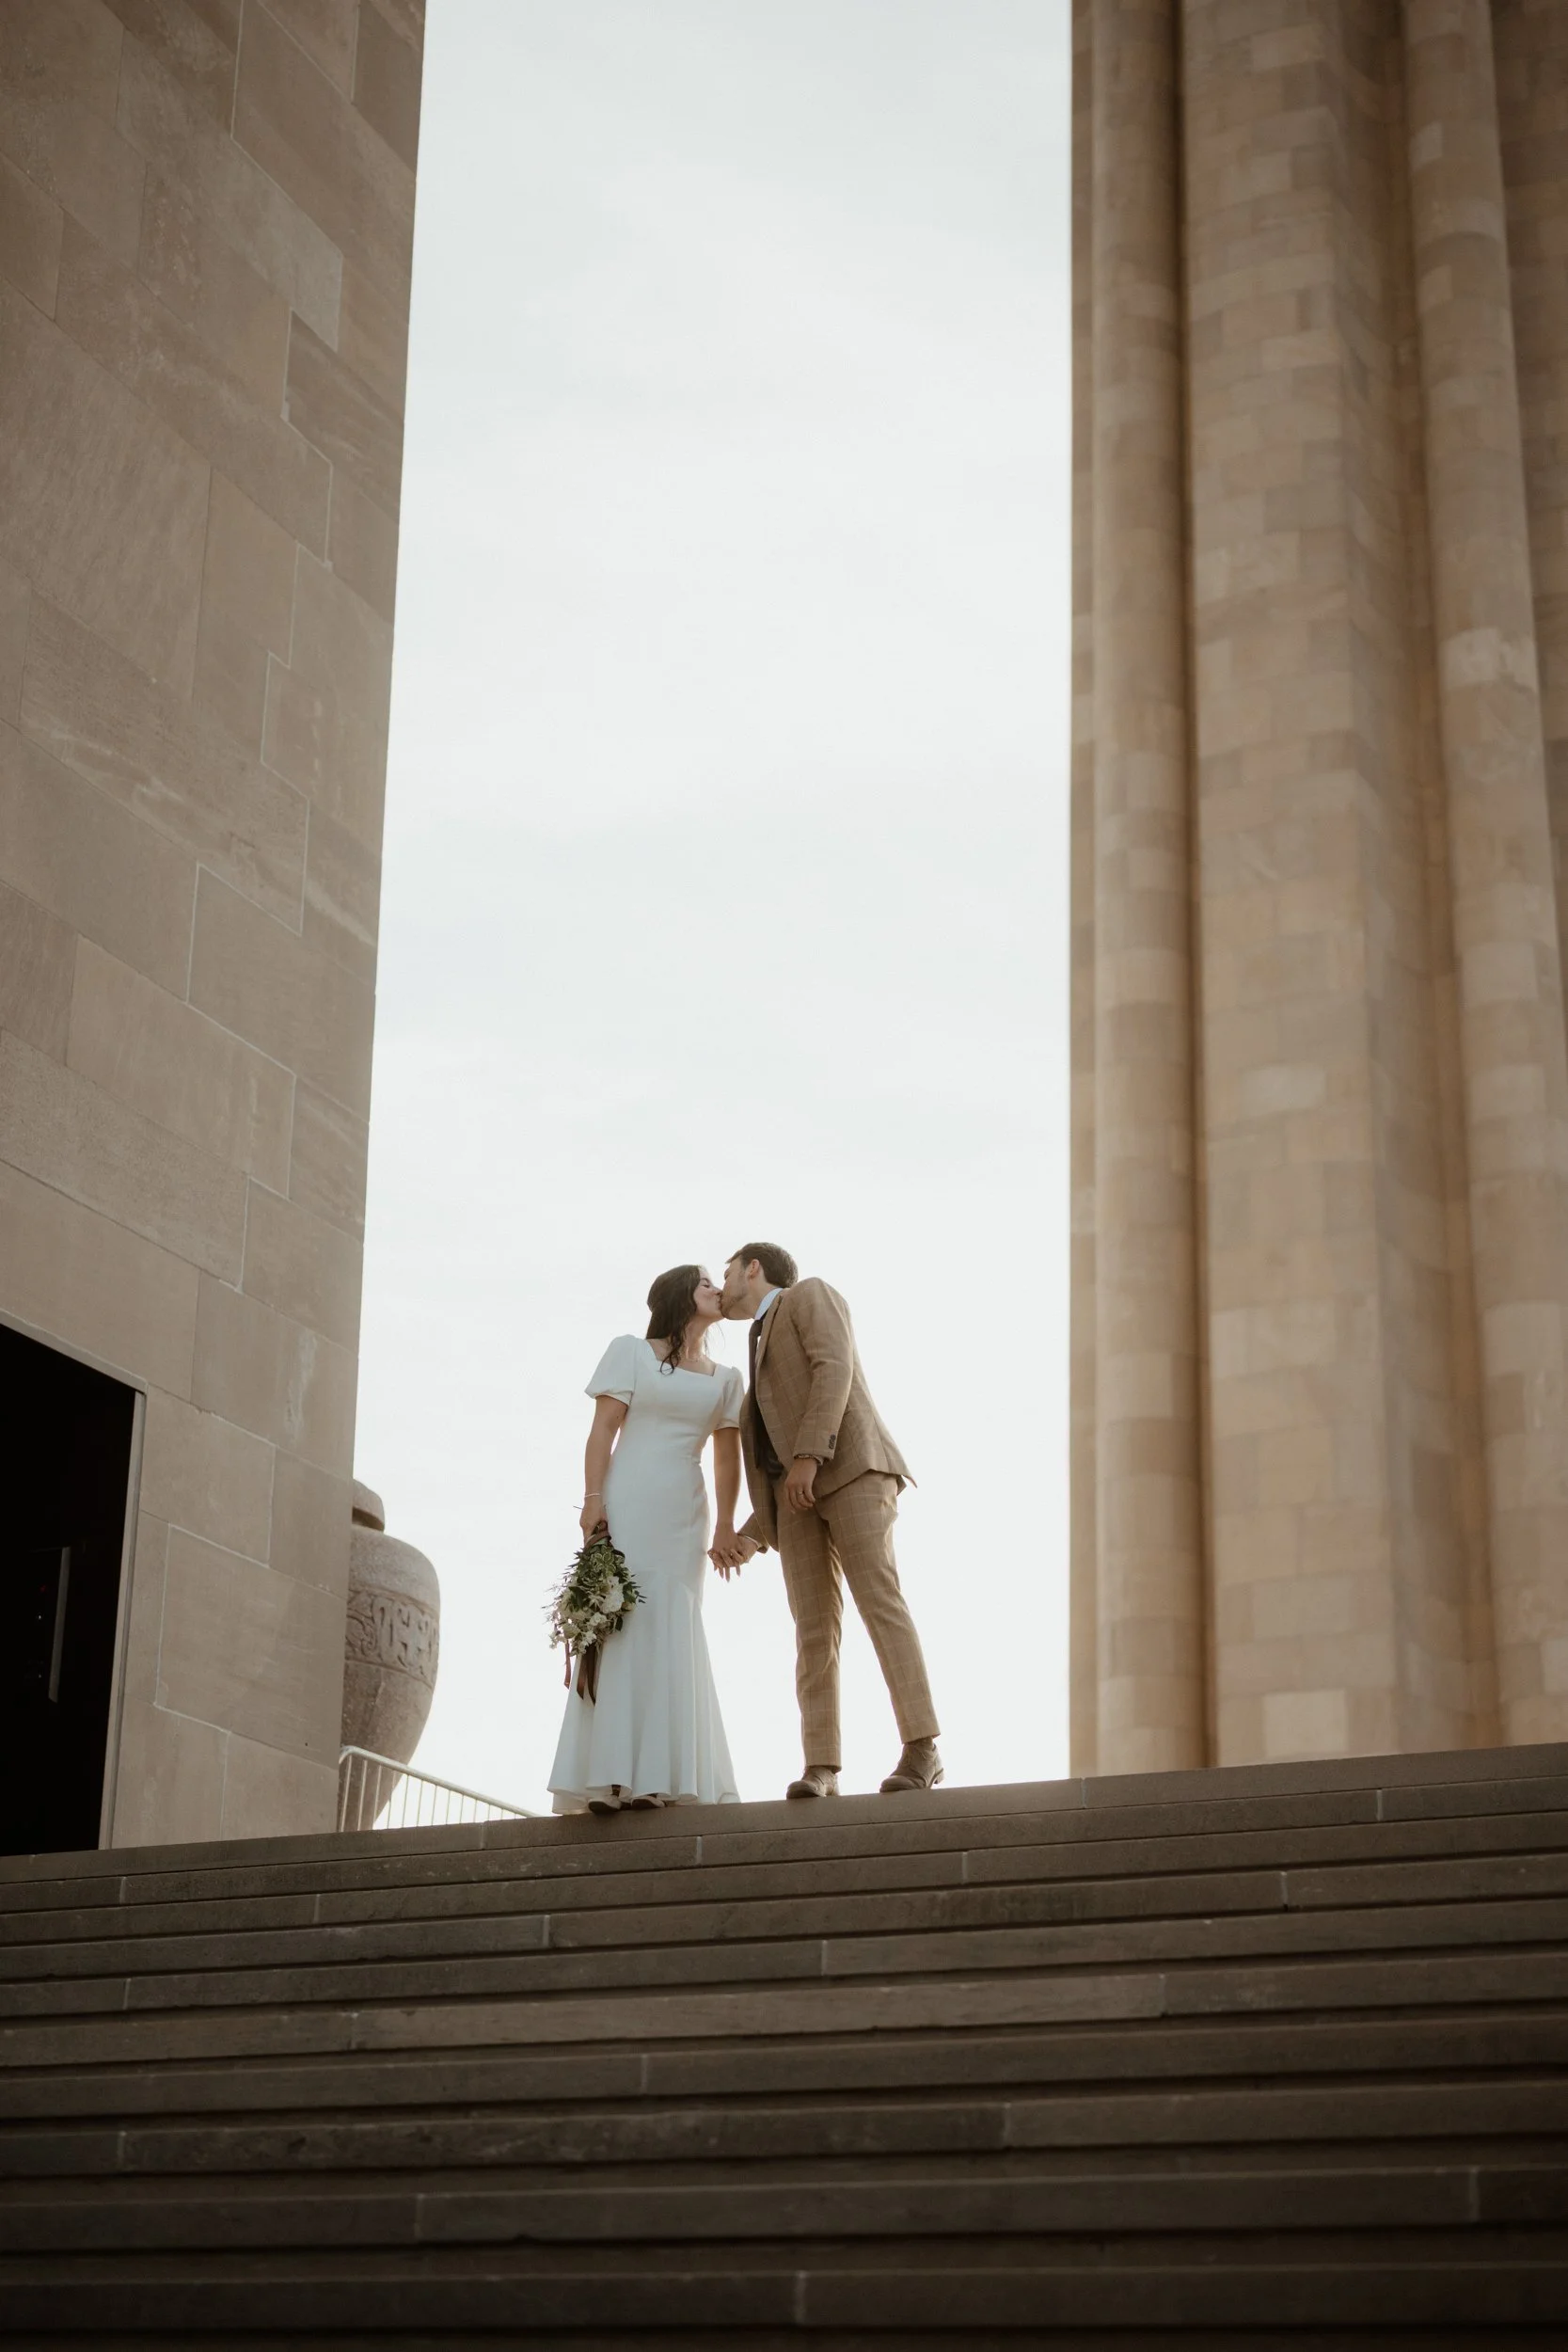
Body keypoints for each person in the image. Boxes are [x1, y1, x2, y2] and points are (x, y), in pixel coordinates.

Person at [711, 1244, 942, 1800]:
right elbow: (773, 1453)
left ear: (752, 1267)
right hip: (796, 1501)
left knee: (879, 1601)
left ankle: (922, 1748)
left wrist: (811, 1456)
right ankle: (822, 1767)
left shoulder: (809, 1294)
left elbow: (833, 1367)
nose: (720, 1289)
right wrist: (750, 1534)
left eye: (724, 1274)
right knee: (812, 1631)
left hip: (852, 1469)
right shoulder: (755, 1344)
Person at [548, 1265, 743, 1816]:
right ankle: (608, 1777)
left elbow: (728, 1457)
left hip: (684, 1509)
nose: (716, 1288)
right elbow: (602, 1432)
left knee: (670, 1620)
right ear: (682, 1293)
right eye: (706, 1281)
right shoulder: (630, 1350)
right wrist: (592, 1502)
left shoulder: (727, 1378)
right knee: (623, 1620)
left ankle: (660, 1778)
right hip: (629, 1495)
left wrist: (727, 1524)